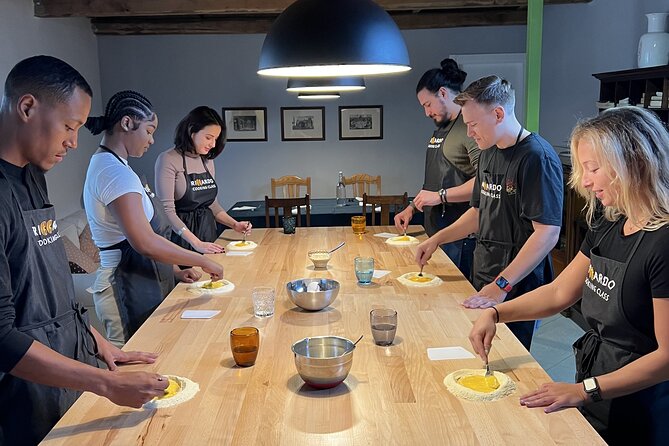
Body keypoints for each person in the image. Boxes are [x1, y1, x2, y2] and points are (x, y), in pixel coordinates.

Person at [469, 107, 669, 445]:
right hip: (595, 386)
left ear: (634, 161)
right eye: (583, 169)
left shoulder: (662, 242)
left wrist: (585, 390)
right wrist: (496, 311)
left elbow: (666, 358)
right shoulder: (609, 223)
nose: (586, 182)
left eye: (594, 168)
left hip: (642, 406)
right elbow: (560, 292)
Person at [0, 55, 169, 446]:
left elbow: (50, 287)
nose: (74, 142)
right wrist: (105, 384)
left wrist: (95, 341)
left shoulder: (31, 176)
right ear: (27, 107)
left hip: (67, 370)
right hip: (24, 394)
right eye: (69, 126)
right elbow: (2, 337)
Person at [415, 75, 563, 349]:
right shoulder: (488, 153)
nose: (469, 133)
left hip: (517, 282)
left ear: (498, 114)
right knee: (476, 350)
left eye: (472, 124)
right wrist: (436, 240)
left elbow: (547, 234)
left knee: (506, 356)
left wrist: (501, 285)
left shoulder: (536, 157)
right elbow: (478, 213)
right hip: (485, 268)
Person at [84, 91, 224, 347]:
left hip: (142, 278)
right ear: (127, 123)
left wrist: (174, 271)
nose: (151, 140)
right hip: (123, 286)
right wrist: (201, 259)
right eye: (148, 131)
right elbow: (145, 242)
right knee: (134, 363)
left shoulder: (119, 167)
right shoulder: (112, 172)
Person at [394, 58, 480, 280]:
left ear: (443, 93)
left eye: (427, 104)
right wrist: (412, 207)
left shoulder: (468, 129)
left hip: (460, 239)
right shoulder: (441, 129)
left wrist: (440, 196)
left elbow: (484, 183)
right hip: (435, 232)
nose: (426, 113)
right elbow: (435, 181)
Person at [155, 106, 251, 254]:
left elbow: (212, 205)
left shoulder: (207, 161)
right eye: (208, 137)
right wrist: (196, 243)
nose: (213, 144)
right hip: (181, 240)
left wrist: (234, 224)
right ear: (191, 131)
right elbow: (167, 211)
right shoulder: (168, 159)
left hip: (208, 235)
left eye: (216, 139)